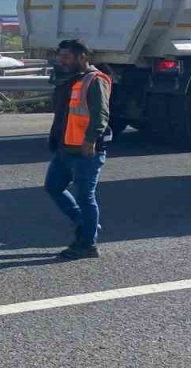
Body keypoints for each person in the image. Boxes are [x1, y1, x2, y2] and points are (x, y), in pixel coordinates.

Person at [45, 38, 111, 260]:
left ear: (82, 57)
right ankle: (85, 224)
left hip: (85, 150)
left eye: (66, 57)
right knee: (53, 187)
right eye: (60, 56)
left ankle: (87, 244)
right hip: (66, 147)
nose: (61, 61)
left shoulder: (95, 80)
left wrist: (90, 141)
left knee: (85, 197)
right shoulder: (71, 79)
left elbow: (100, 114)